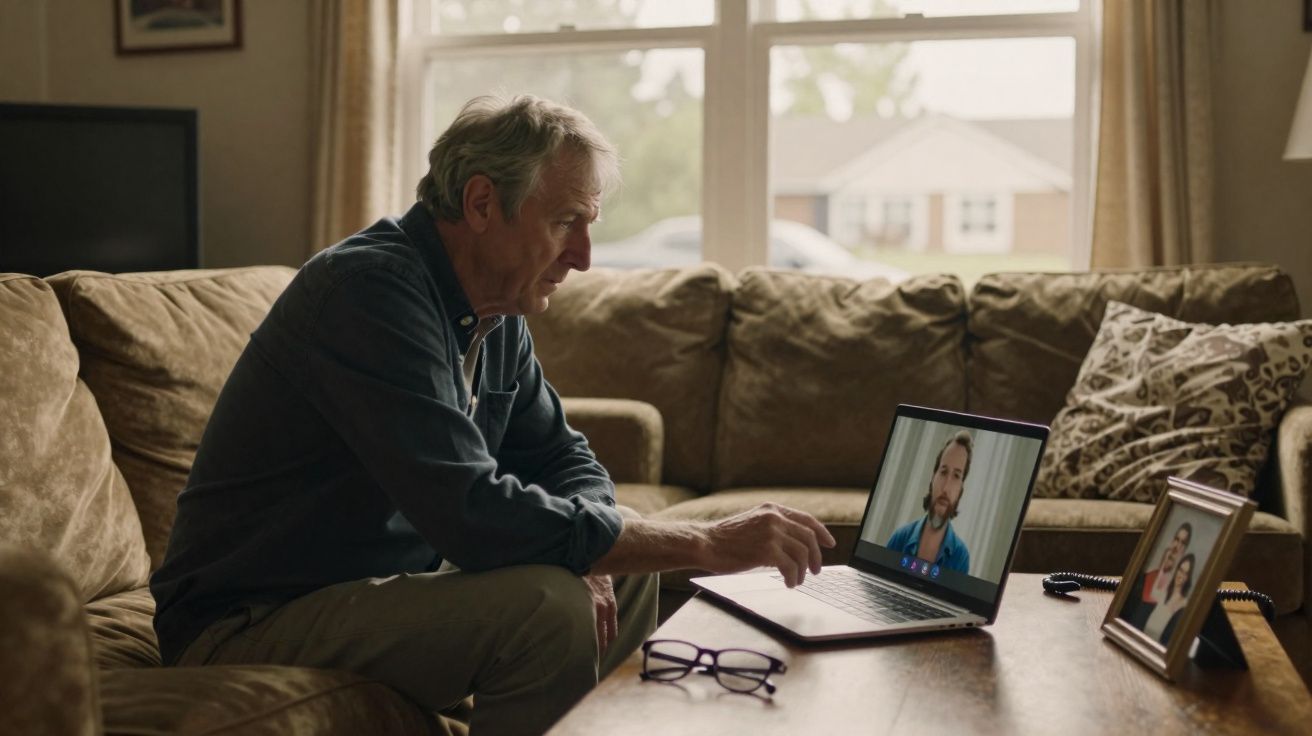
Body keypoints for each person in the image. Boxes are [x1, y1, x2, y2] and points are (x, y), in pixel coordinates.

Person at [149, 95, 835, 736]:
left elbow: (564, 457)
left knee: (625, 566)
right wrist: (704, 544)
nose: (584, 257)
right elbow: (469, 511)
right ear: (482, 203)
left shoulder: (496, 314)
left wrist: (596, 550)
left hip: (367, 589)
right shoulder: (368, 293)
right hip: (247, 619)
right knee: (550, 610)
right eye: (565, 222)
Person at [886, 430, 973, 574]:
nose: (946, 487)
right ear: (933, 478)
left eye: (956, 476)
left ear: (961, 490)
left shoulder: (961, 557)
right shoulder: (899, 538)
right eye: (943, 472)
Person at [1120, 522, 1192, 630]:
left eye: (1182, 543)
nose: (1176, 547)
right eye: (1176, 539)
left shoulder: (1176, 601)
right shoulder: (1144, 579)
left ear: (1185, 551)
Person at [1143, 553, 1196, 645]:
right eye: (1180, 570)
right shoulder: (1165, 590)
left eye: (1185, 573)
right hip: (1143, 635)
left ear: (1188, 578)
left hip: (1157, 645)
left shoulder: (1183, 603)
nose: (1181, 575)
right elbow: (1153, 592)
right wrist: (1164, 563)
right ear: (1177, 570)